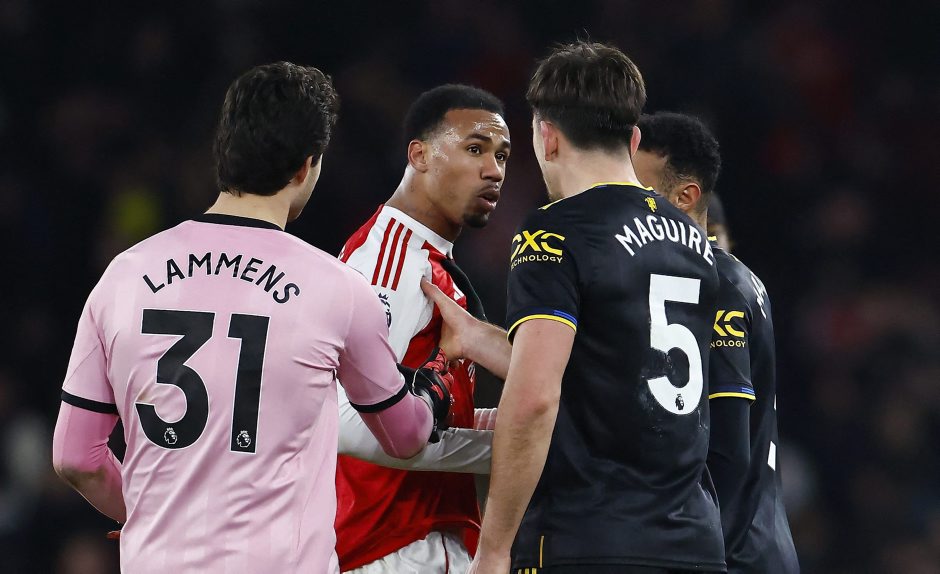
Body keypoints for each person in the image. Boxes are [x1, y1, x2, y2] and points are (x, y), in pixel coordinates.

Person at [50, 61, 451, 574]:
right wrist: (434, 388)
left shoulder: (123, 276)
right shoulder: (337, 288)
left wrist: (150, 514)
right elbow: (404, 438)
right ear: (306, 166)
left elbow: (75, 457)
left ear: (224, 153)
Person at [437, 40, 726, 574]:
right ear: (633, 139)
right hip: (694, 543)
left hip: (590, 536)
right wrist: (480, 338)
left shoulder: (555, 232)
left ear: (547, 137)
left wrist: (494, 547)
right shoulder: (694, 243)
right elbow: (619, 369)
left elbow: (535, 398)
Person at [334, 84, 512, 573]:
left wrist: (515, 425)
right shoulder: (390, 262)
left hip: (418, 541)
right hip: (388, 546)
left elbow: (418, 414)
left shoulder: (427, 259)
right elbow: (345, 421)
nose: (494, 170)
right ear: (420, 155)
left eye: (501, 155)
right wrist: (502, 451)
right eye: (474, 149)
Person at [634, 111, 799, 574]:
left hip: (733, 553)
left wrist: (692, 552)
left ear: (685, 197)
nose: (626, 205)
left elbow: (727, 450)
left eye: (640, 191)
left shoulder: (717, 286)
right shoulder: (718, 279)